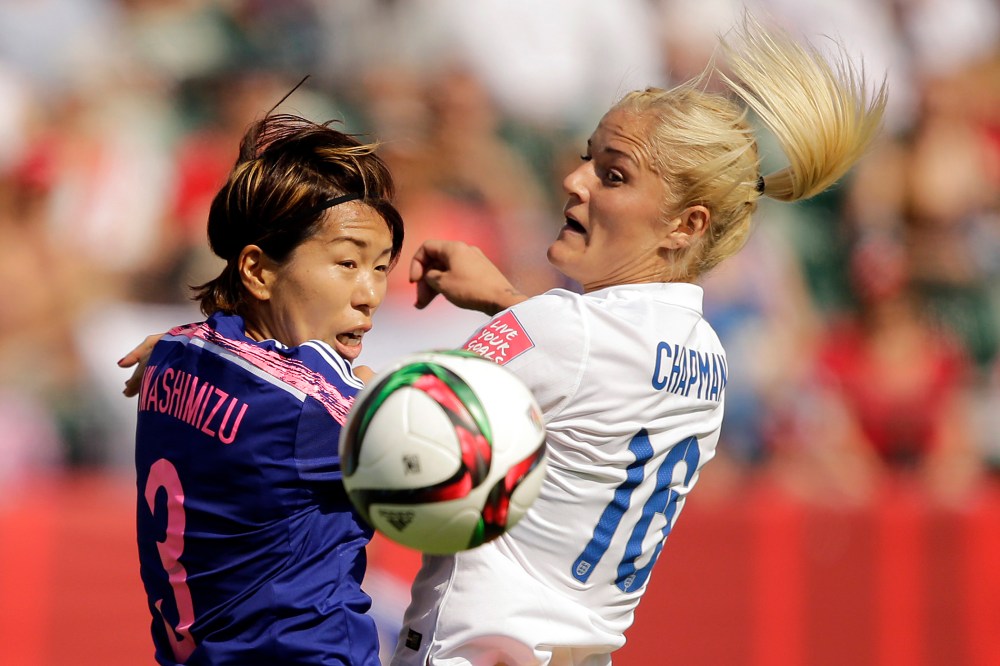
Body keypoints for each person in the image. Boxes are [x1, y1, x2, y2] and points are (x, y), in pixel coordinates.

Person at [390, 15, 887, 666]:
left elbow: (395, 425)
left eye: (614, 174)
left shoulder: (562, 331)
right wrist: (508, 301)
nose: (576, 181)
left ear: (686, 225)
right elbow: (589, 366)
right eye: (587, 158)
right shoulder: (707, 352)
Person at [125, 112, 403, 665]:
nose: (370, 292)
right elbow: (470, 433)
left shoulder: (173, 352)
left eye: (381, 266)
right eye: (347, 262)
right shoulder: (312, 406)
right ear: (257, 270)